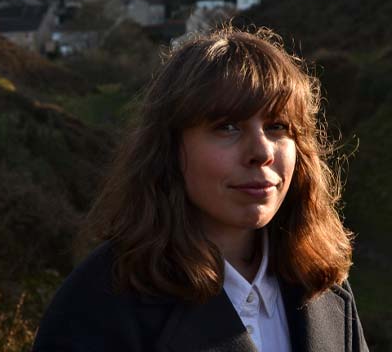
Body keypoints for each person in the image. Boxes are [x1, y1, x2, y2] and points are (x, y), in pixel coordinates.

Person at [32, 27, 368, 352]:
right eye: (227, 127)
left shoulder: (326, 291)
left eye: (277, 126)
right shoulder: (95, 309)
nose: (262, 152)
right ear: (169, 149)